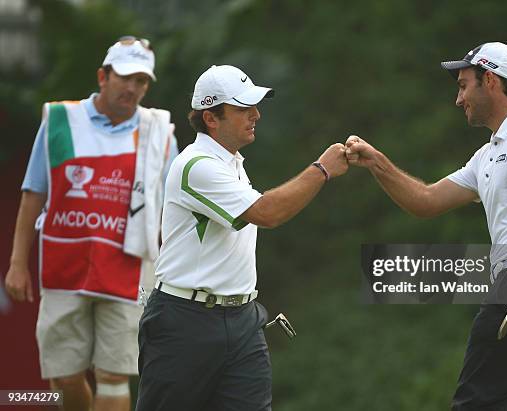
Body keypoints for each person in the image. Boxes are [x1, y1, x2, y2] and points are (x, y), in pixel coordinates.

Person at [345, 42, 507, 410]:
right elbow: (426, 201)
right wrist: (378, 163)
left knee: (476, 402)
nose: (458, 99)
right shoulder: (487, 155)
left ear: (490, 80)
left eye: (464, 85)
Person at [135, 64, 348, 411]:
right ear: (211, 118)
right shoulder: (196, 165)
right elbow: (267, 213)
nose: (256, 115)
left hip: (243, 321)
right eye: (243, 109)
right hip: (185, 322)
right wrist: (321, 170)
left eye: (255, 107)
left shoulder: (231, 161)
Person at [4, 36, 178, 411]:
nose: (133, 88)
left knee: (114, 375)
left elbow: (173, 209)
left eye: (142, 81)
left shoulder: (158, 133)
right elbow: (33, 192)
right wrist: (18, 263)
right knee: (65, 376)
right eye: (126, 77)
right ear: (103, 76)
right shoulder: (61, 120)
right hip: (65, 267)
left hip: (130, 269)